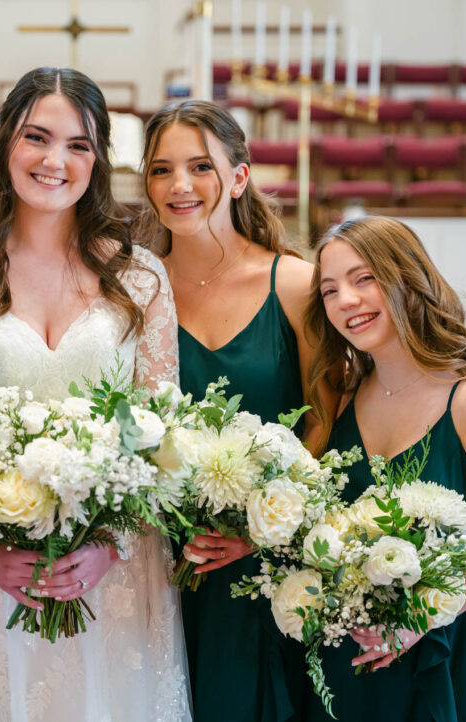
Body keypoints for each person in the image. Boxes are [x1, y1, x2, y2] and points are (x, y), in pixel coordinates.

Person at [0, 67, 191, 722]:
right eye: (37, 137)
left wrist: (107, 545)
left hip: (115, 576)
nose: (55, 160)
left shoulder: (139, 277)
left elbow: (166, 430)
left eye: (79, 144)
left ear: (99, 158)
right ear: (5, 144)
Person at [302, 215, 466, 720]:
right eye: (329, 290)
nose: (345, 300)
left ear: (407, 280)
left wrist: (420, 615)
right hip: (359, 653)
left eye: (363, 278)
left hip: (453, 642)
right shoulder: (339, 397)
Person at [139, 98, 324, 722]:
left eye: (199, 167)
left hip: (270, 555)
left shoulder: (294, 285)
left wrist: (264, 526)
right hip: (163, 558)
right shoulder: (136, 290)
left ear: (239, 177)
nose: (179, 186)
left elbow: (325, 423)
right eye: (161, 170)